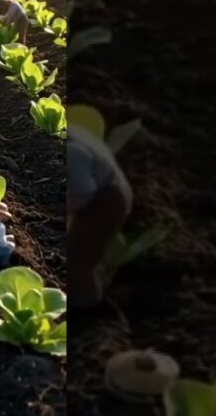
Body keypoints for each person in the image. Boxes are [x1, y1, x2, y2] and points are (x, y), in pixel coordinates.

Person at [70, 121, 133, 309]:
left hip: (106, 201)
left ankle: (86, 310)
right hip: (105, 188)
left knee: (79, 261)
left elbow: (84, 192)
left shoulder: (71, 151)